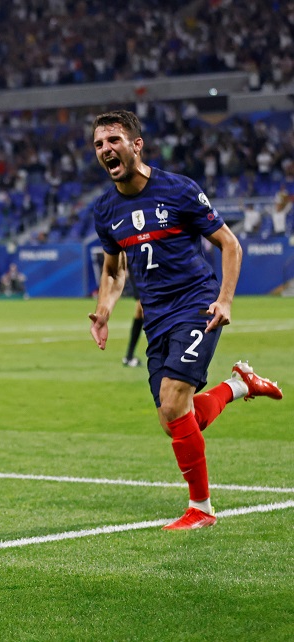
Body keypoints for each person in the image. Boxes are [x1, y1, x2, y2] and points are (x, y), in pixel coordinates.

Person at [87, 110, 283, 531]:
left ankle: (201, 508)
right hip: (156, 318)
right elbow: (113, 270)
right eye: (99, 144)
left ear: (136, 145)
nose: (106, 149)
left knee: (175, 403)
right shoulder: (105, 209)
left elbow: (230, 244)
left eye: (114, 140)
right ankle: (240, 385)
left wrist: (224, 300)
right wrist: (104, 310)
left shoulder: (178, 190)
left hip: (196, 303)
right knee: (174, 419)